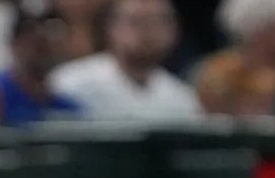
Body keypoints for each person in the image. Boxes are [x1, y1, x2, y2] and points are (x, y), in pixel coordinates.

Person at [49, 0, 200, 120]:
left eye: (159, 22)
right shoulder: (71, 83)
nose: (148, 31)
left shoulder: (182, 98)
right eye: (136, 22)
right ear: (110, 27)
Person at [0, 0, 83, 124]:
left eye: (46, 45)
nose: (43, 52)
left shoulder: (67, 108)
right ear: (14, 43)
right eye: (34, 43)